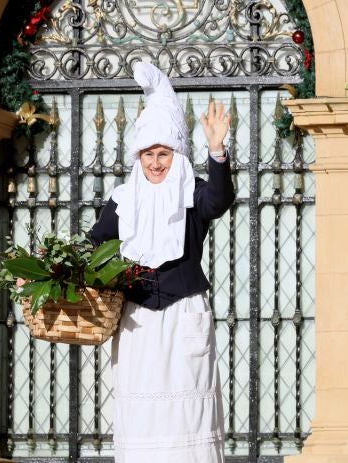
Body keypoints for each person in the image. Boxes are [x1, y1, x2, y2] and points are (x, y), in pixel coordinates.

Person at [88, 62, 234, 463]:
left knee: (188, 414)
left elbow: (219, 202)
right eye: (149, 154)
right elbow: (94, 246)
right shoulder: (123, 200)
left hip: (185, 312)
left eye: (164, 153)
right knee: (141, 413)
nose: (156, 163)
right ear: (138, 156)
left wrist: (217, 152)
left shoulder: (194, 192)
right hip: (137, 320)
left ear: (177, 154)